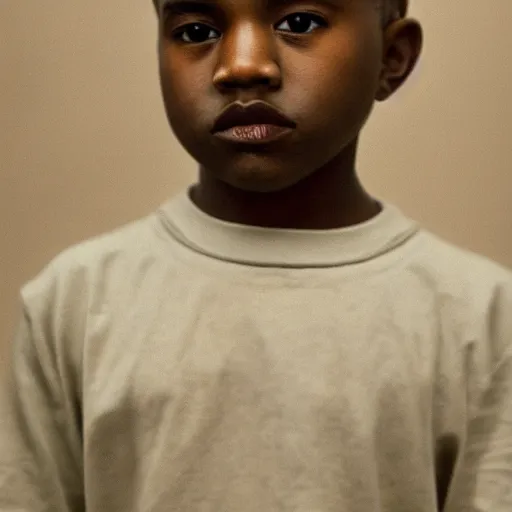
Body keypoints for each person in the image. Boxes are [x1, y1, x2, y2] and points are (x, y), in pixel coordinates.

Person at [1, 0, 511, 510]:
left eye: (300, 23)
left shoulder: (481, 319)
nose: (242, 65)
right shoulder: (74, 304)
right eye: (196, 30)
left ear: (392, 57)